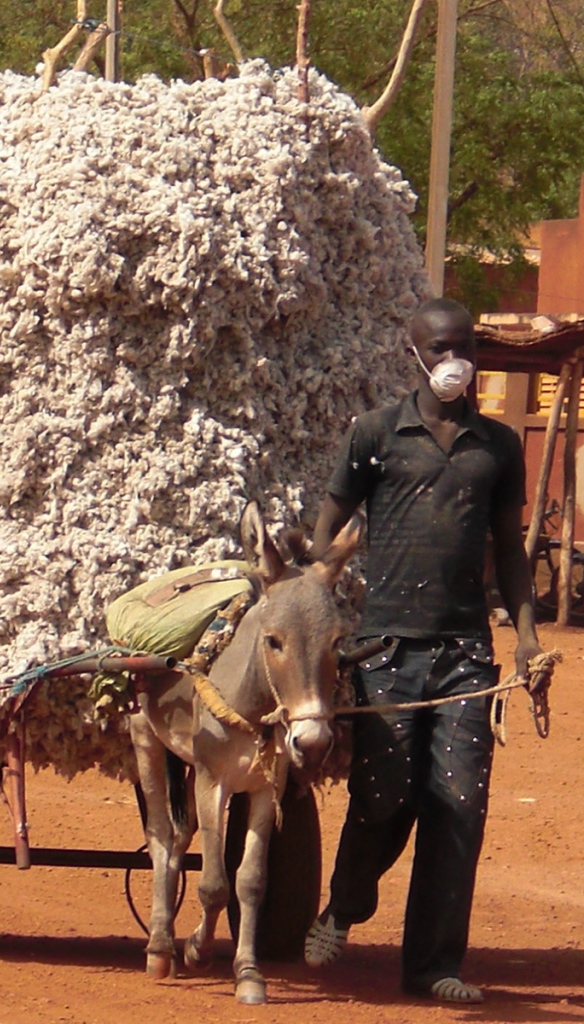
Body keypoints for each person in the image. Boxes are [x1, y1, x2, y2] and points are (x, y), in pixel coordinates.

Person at [304, 297, 541, 1004]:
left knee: (458, 805)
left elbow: (510, 550)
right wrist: (320, 607)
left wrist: (526, 637)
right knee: (384, 799)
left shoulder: (498, 446)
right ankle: (345, 905)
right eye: (439, 348)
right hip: (385, 652)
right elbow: (326, 532)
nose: (453, 360)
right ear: (415, 353)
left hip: (466, 652)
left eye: (463, 346)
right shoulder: (376, 434)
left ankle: (434, 965)